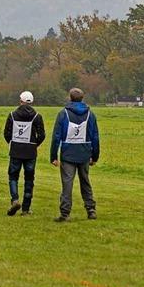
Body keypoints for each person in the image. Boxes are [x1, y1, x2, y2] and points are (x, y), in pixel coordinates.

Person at [50, 88, 100, 222]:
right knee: (85, 182)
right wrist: (95, 156)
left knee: (67, 184)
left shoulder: (63, 114)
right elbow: (95, 136)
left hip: (67, 155)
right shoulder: (90, 114)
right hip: (84, 153)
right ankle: (91, 210)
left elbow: (56, 137)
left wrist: (53, 156)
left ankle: (65, 213)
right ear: (82, 98)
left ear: (70, 98)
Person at [3, 91, 46, 216]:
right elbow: (42, 135)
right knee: (29, 179)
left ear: (20, 101)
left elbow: (6, 133)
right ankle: (26, 209)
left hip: (16, 150)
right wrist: (35, 144)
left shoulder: (12, 115)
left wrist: (12, 143)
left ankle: (15, 200)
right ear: (31, 102)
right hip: (30, 152)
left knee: (13, 177)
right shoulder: (37, 116)